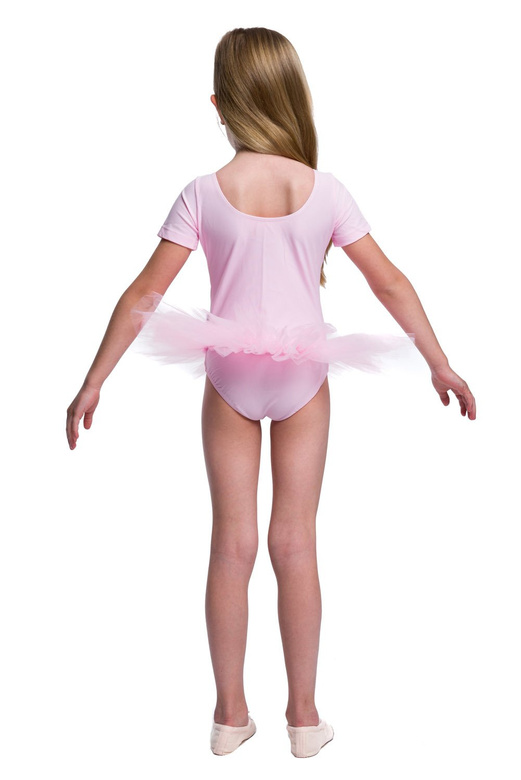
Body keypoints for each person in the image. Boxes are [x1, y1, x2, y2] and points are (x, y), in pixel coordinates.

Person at [66, 27, 476, 759]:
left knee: (232, 545)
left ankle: (229, 718)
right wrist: (438, 362)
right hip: (302, 376)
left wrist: (94, 380)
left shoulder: (202, 192)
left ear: (219, 103)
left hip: (229, 372)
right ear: (290, 95)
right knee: (295, 541)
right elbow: (389, 282)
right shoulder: (323, 190)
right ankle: (304, 719)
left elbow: (142, 294)